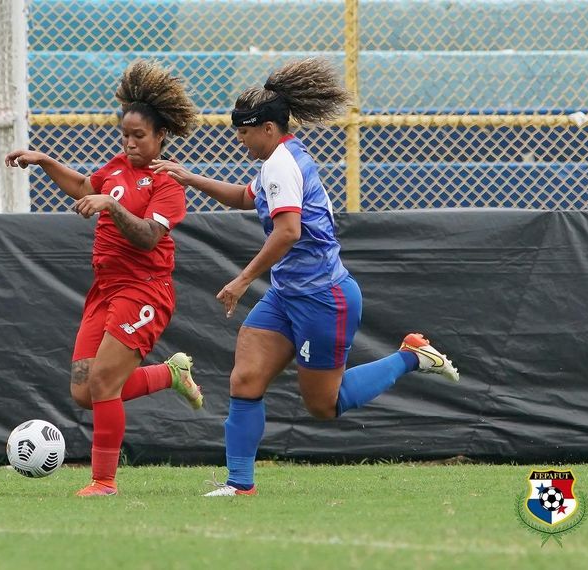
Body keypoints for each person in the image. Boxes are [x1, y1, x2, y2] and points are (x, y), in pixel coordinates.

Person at [152, 57, 459, 497]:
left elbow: (289, 231)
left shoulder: (281, 163)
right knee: (245, 379)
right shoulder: (277, 160)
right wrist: (188, 177)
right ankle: (240, 485)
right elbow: (244, 196)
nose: (239, 139)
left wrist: (241, 281)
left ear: (269, 129)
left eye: (244, 131)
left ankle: (411, 356)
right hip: (287, 295)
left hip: (322, 298)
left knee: (323, 405)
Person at [5, 60, 202, 497]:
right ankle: (169, 375)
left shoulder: (166, 182)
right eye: (126, 135)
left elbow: (150, 237)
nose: (130, 144)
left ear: (161, 136)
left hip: (145, 290)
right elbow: (82, 186)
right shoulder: (115, 168)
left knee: (104, 384)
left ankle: (103, 482)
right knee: (83, 390)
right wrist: (44, 161)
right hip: (105, 289)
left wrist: (112, 208)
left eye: (140, 136)